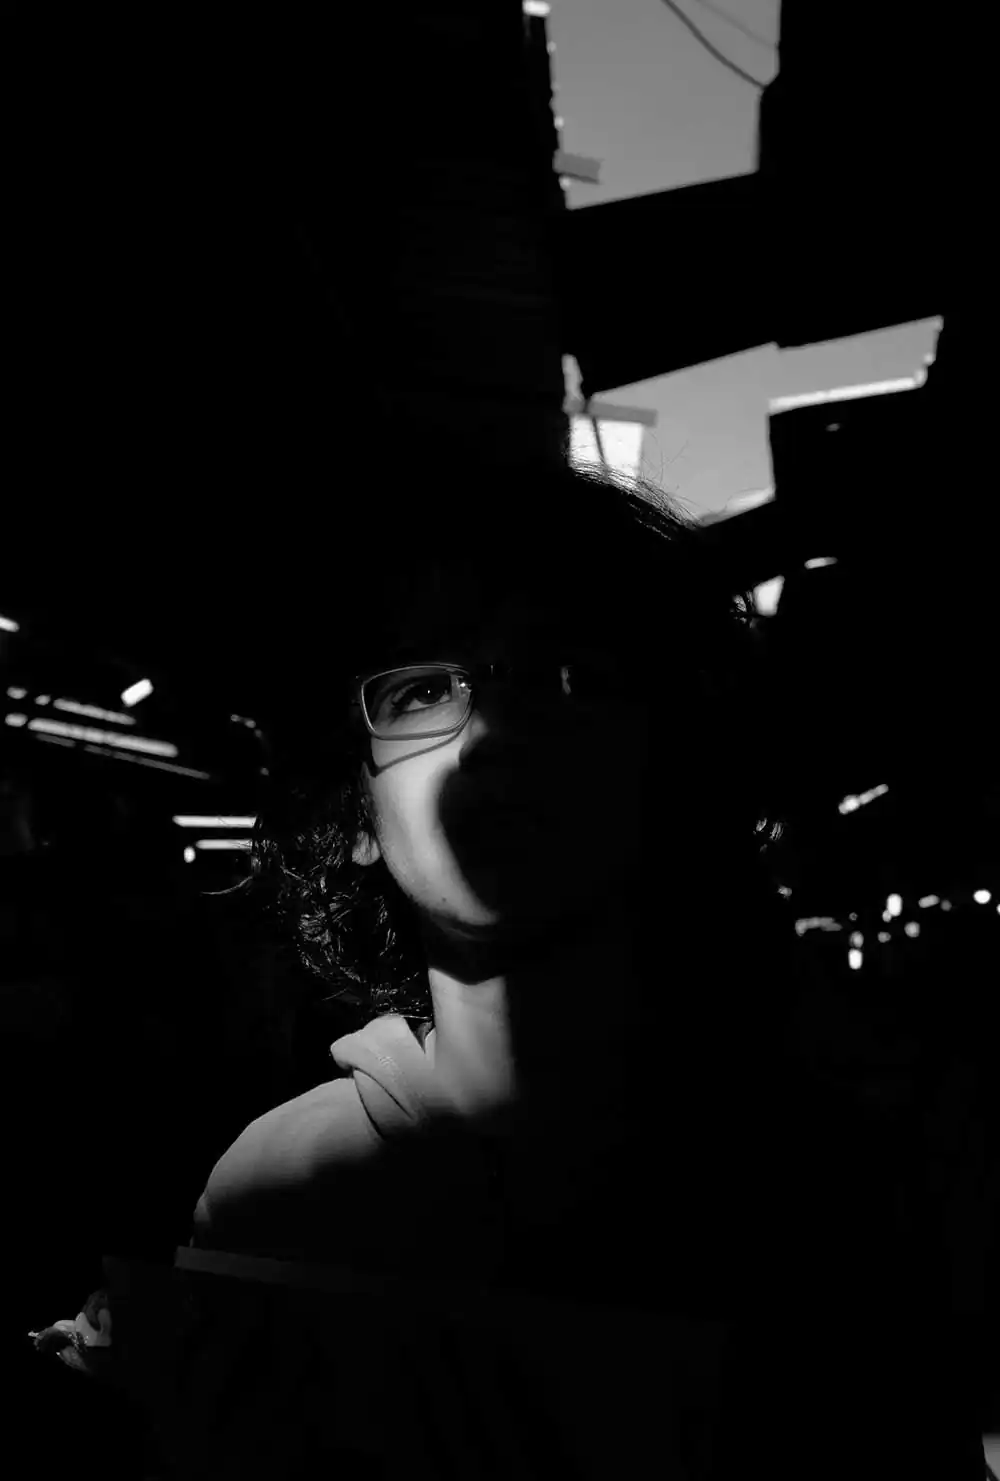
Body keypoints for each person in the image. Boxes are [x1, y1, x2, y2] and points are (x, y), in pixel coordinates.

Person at [31, 460, 977, 1478]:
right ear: (357, 814)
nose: (491, 730)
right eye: (420, 689)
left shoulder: (819, 1187)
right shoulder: (268, 1186)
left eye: (566, 672)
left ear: (669, 768)